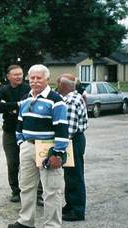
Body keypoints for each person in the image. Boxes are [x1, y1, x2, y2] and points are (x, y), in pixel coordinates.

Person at [8, 64, 69, 228]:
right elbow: (20, 123)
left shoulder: (56, 100)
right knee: (26, 186)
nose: (34, 81)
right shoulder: (26, 98)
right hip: (27, 147)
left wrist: (58, 153)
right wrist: (21, 142)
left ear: (47, 79)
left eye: (39, 78)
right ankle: (26, 221)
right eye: (32, 78)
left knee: (51, 190)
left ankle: (52, 225)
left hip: (48, 148)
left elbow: (62, 128)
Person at [0, 65, 31, 203]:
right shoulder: (3, 89)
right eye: (15, 75)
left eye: (20, 74)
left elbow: (29, 104)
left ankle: (36, 192)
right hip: (9, 131)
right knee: (12, 162)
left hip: (26, 131)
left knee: (30, 163)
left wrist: (9, 106)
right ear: (8, 76)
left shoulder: (28, 88)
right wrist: (18, 105)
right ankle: (16, 191)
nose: (19, 77)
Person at [57, 74, 88, 222]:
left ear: (64, 86)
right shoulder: (77, 97)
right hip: (77, 139)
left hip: (72, 141)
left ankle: (77, 210)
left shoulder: (70, 101)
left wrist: (58, 147)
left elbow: (68, 129)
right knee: (71, 175)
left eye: (58, 85)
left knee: (74, 176)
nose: (56, 87)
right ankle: (71, 205)